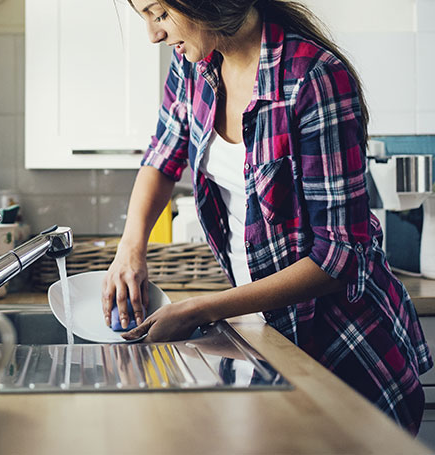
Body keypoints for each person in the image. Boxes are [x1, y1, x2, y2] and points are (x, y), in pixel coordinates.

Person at [101, 0, 433, 434]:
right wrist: (130, 249)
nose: (154, 35)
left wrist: (203, 309)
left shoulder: (314, 78)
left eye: (160, 14)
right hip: (268, 336)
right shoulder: (194, 66)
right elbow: (163, 156)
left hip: (348, 353)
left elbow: (339, 257)